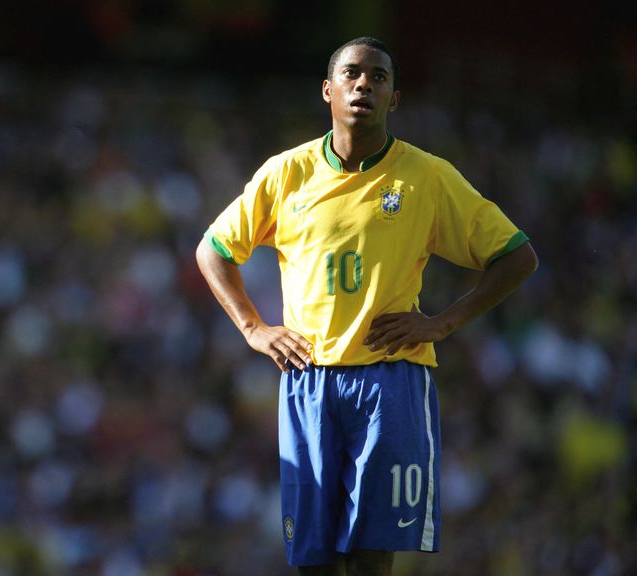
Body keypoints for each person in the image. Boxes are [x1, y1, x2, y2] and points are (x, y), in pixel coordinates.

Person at [196, 36, 539, 576]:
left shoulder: (427, 176)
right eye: (352, 75)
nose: (364, 85)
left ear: (394, 98)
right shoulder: (288, 173)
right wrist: (253, 328)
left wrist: (443, 322)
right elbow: (214, 250)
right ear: (328, 91)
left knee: (373, 557)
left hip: (392, 380)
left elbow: (517, 256)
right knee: (314, 560)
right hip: (309, 378)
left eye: (379, 78)